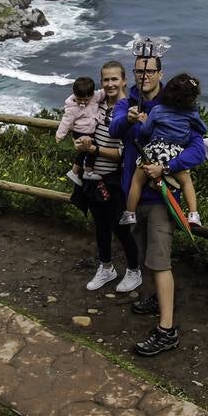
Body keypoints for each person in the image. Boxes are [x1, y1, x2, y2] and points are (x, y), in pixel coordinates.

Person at [111, 39, 206, 357]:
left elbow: (198, 149)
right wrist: (130, 120)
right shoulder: (129, 103)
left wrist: (166, 166)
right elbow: (114, 129)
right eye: (138, 70)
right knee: (145, 253)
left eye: (149, 70)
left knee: (160, 261)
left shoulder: (177, 108)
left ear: (160, 72)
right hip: (134, 194)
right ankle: (156, 298)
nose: (144, 76)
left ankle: (167, 330)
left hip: (162, 198)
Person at [71, 61, 143, 293]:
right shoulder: (97, 104)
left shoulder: (128, 111)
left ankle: (134, 271)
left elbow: (123, 154)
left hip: (114, 180)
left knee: (120, 229)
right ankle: (106, 268)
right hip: (93, 179)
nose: (110, 84)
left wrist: (93, 150)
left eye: (114, 79)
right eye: (106, 80)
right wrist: (81, 143)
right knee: (100, 227)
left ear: (124, 81)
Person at [119, 72, 206, 227]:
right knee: (186, 182)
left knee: (137, 181)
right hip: (174, 153)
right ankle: (193, 214)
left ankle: (130, 213)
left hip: (154, 150)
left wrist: (144, 122)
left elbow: (145, 132)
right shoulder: (191, 114)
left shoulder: (158, 110)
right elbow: (202, 129)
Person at [56, 75, 101, 186]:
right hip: (80, 132)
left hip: (89, 132)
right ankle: (88, 171)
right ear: (75, 95)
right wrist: (60, 135)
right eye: (79, 99)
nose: (83, 102)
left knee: (83, 153)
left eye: (86, 100)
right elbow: (65, 121)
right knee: (92, 149)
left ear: (92, 95)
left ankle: (75, 172)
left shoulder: (95, 97)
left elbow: (102, 93)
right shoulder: (72, 108)